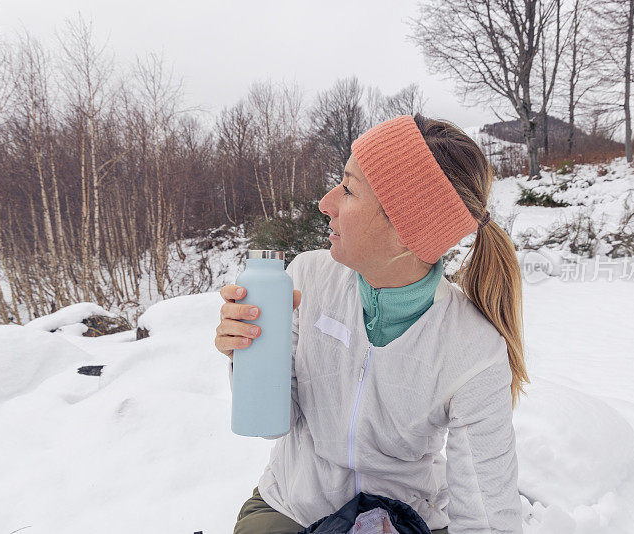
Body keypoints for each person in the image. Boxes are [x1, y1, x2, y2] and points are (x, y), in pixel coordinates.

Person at [215, 114, 530, 534]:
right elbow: (276, 419)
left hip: (405, 519)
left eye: (348, 188)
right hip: (291, 507)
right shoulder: (307, 277)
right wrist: (249, 351)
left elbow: (489, 514)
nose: (326, 202)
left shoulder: (473, 348)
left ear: (406, 230)